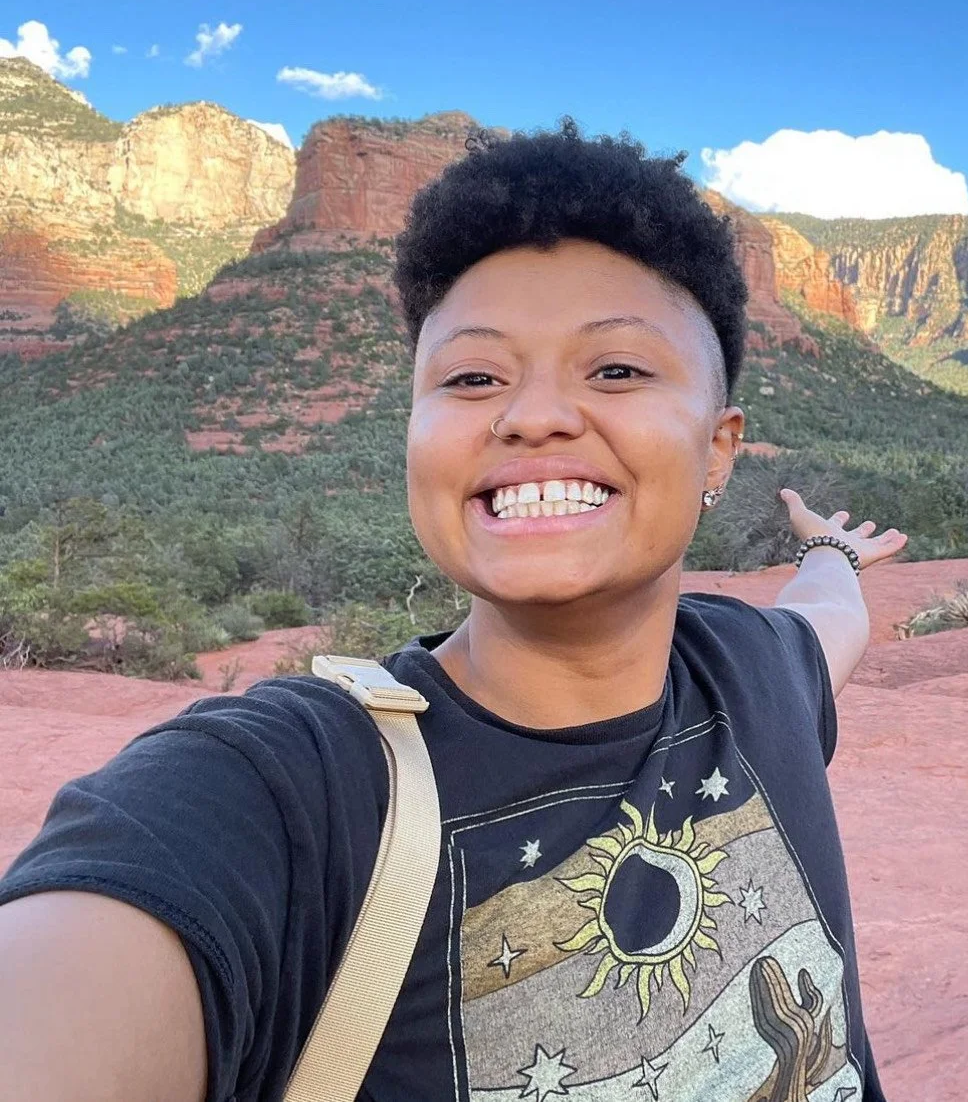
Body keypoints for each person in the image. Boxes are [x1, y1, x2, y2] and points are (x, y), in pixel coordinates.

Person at [0, 120, 906, 1102]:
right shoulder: (290, 791)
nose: (529, 415)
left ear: (718, 451)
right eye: (473, 378)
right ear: (416, 434)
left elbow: (829, 610)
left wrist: (831, 551)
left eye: (615, 370)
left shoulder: (760, 670)